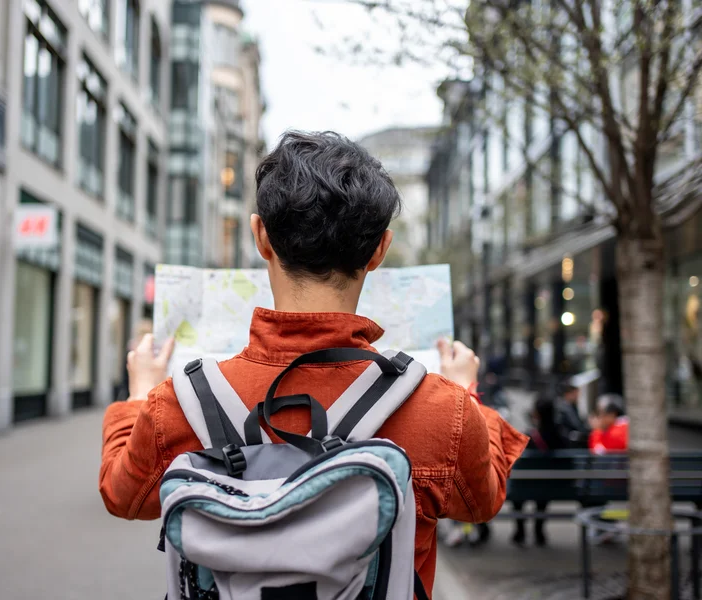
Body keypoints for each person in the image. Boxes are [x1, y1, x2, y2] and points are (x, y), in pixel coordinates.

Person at [98, 131, 528, 596]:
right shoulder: (440, 408)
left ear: (261, 236)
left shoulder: (176, 404)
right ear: (380, 250)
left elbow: (124, 496)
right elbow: (481, 501)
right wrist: (466, 391)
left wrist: (140, 391)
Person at [511, 397, 569, 547]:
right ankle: (539, 531)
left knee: (518, 493)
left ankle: (520, 531)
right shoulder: (560, 436)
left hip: (524, 486)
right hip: (552, 486)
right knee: (542, 490)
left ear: (536, 414)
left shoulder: (529, 437)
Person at [115, 319, 154, 401]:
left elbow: (124, 374)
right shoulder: (133, 349)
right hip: (139, 390)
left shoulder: (132, 349)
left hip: (135, 390)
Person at [555, 380, 590, 448]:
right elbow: (575, 424)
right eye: (575, 393)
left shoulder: (571, 406)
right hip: (567, 443)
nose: (577, 396)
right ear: (568, 393)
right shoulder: (563, 407)